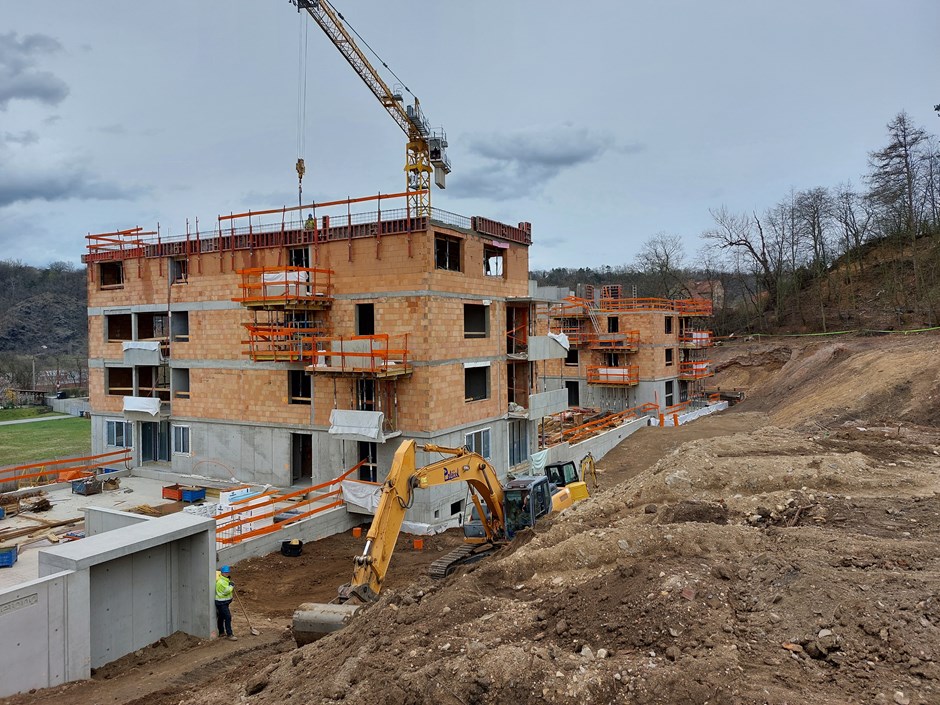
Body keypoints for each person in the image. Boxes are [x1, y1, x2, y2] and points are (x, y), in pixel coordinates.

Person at [215, 565, 237, 641]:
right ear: (222, 573)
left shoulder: (225, 580)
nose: (227, 573)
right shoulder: (221, 582)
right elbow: (226, 591)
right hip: (222, 603)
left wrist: (230, 583)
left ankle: (221, 632)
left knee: (221, 617)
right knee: (228, 617)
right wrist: (231, 586)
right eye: (225, 572)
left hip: (224, 602)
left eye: (228, 572)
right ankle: (229, 634)